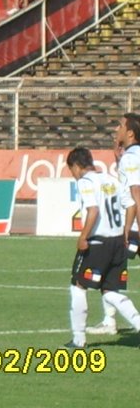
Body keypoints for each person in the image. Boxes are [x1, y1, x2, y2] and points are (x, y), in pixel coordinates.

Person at [65, 146, 140, 349]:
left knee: (78, 286)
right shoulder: (111, 180)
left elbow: (93, 210)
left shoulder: (86, 182)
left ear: (77, 166)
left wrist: (83, 236)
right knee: (110, 291)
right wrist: (126, 231)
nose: (72, 174)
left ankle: (78, 339)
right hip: (117, 242)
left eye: (71, 169)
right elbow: (131, 205)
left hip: (97, 243)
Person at [88, 114, 140, 335]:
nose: (116, 128)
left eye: (120, 125)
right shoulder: (130, 156)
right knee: (110, 267)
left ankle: (110, 321)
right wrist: (117, 156)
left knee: (107, 267)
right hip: (131, 222)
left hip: (134, 224)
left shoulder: (131, 158)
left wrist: (135, 226)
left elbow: (136, 191)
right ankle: (109, 320)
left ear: (130, 133)